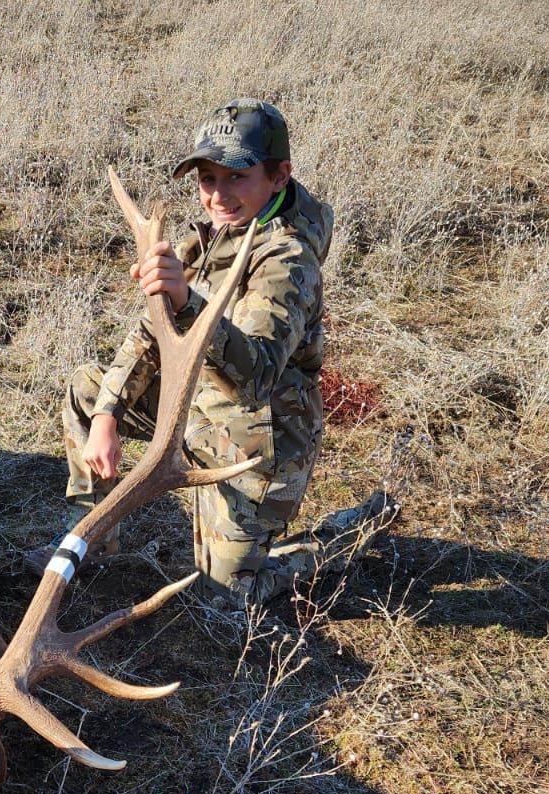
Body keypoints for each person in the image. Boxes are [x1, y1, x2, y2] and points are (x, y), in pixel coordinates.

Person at [53, 98, 394, 608]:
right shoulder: (209, 238)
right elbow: (148, 336)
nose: (218, 194)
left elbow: (255, 376)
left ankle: (343, 535)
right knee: (89, 388)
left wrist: (188, 302)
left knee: (225, 598)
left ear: (279, 177)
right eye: (207, 178)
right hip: (192, 415)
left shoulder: (288, 259)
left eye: (237, 176)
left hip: (254, 449)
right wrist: (106, 413)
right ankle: (91, 546)